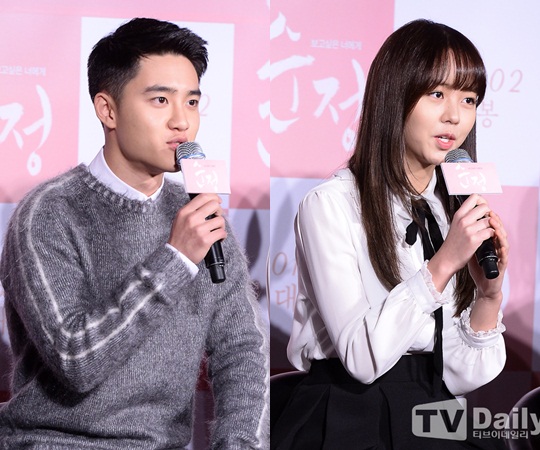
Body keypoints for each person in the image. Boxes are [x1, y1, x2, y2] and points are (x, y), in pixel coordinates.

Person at [0, 17, 268, 449]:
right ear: (108, 110)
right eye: (160, 100)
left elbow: (241, 350)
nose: (181, 122)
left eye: (192, 102)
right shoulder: (49, 213)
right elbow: (76, 359)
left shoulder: (197, 212)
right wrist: (175, 260)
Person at [271, 19, 509, 449]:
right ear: (394, 95)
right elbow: (362, 359)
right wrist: (442, 265)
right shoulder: (331, 204)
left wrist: (488, 297)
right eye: (436, 94)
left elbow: (459, 375)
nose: (455, 116)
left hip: (432, 411)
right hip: (348, 411)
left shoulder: (450, 211)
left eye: (469, 99)